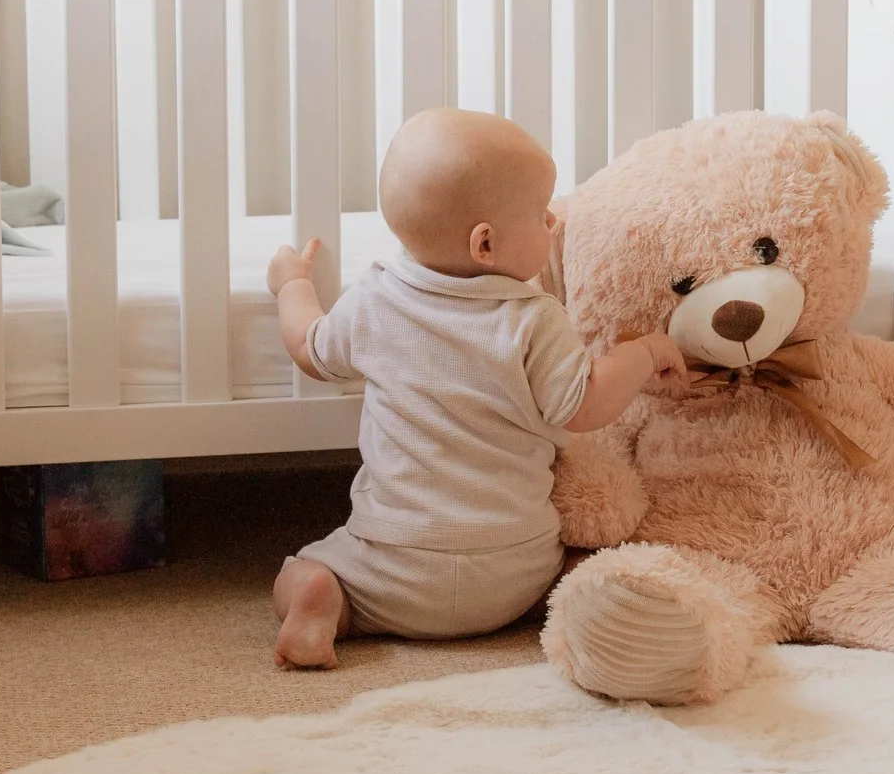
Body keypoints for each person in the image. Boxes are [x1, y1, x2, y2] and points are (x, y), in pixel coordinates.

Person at [266, 107, 688, 666]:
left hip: (391, 572)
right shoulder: (535, 318)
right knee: (574, 562)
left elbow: (310, 349)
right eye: (541, 215)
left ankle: (324, 609)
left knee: (300, 572)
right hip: (514, 574)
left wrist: (292, 285)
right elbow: (584, 405)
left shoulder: (374, 300)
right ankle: (583, 603)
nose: (553, 223)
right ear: (485, 245)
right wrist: (640, 353)